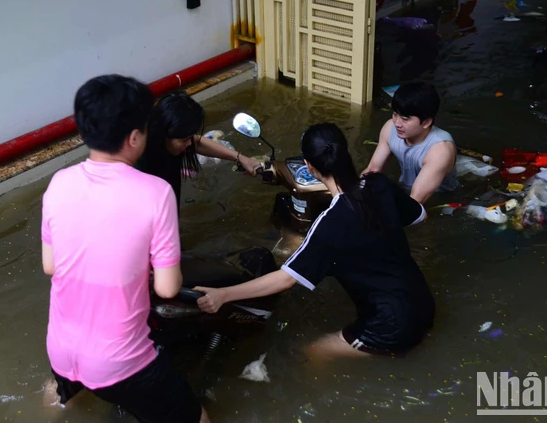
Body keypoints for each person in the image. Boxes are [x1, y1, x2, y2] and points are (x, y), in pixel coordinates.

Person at [41, 75, 209, 423]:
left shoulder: (58, 183)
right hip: (121, 359)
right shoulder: (155, 192)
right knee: (197, 418)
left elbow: (51, 266)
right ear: (135, 137)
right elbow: (167, 287)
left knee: (61, 400)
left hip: (60, 347)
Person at [195, 123, 434, 359]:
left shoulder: (330, 225)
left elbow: (286, 279)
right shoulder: (378, 184)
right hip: (424, 303)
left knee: (312, 353)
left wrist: (222, 295)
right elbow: (419, 216)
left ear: (309, 166)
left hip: (392, 327)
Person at [138, 91, 262, 208]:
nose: (189, 143)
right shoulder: (139, 162)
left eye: (189, 138)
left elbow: (196, 142)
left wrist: (241, 158)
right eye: (185, 139)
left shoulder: (170, 142)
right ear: (164, 133)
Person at [362, 82, 458, 204]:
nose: (397, 123)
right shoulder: (389, 128)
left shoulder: (439, 150)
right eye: (395, 114)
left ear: (426, 122)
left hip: (438, 199)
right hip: (406, 190)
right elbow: (372, 170)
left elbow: (414, 202)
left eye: (405, 119)